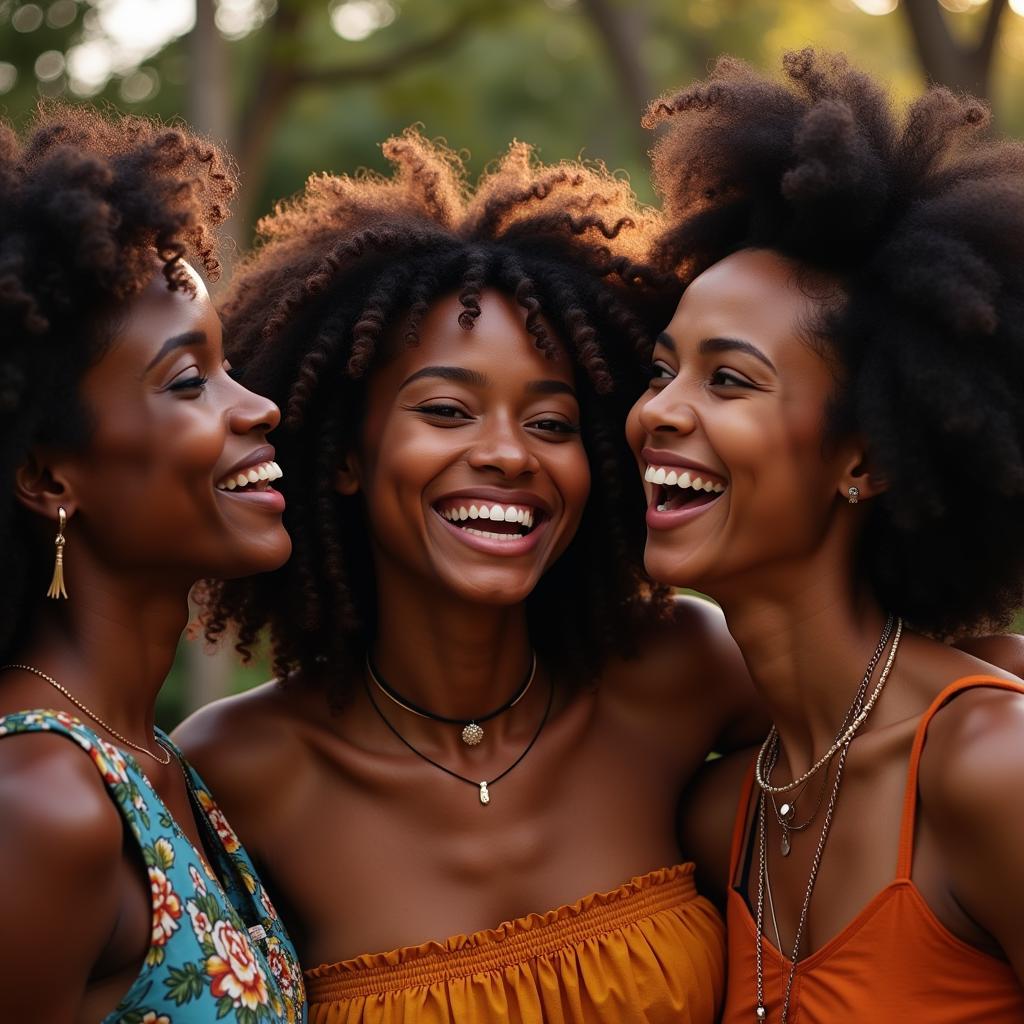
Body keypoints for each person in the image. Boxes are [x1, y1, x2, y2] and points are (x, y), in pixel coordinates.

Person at [175, 129, 761, 1024]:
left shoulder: (684, 671)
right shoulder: (236, 774)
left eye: (554, 424)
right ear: (342, 455)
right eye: (446, 411)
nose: (506, 455)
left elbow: (897, 711)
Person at [627, 50, 1024, 1023]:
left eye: (728, 380)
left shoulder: (989, 769)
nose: (658, 414)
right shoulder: (725, 815)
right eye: (661, 371)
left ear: (867, 459)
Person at [0, 105, 305, 1022]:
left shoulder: (153, 763)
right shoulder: (40, 806)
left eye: (228, 367)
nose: (257, 408)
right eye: (188, 381)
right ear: (49, 476)